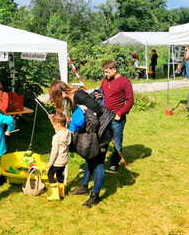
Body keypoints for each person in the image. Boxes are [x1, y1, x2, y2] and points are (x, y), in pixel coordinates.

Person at [48, 80, 113, 208]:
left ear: (60, 92)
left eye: (55, 96)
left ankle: (95, 196)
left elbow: (97, 110)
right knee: (90, 158)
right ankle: (83, 186)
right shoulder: (72, 98)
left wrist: (82, 114)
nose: (55, 99)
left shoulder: (79, 94)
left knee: (99, 163)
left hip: (101, 132)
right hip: (91, 133)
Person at [98, 60, 134, 173]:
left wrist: (120, 113)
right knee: (102, 140)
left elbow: (130, 100)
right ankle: (99, 163)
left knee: (117, 142)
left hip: (116, 118)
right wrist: (98, 94)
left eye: (107, 72)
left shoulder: (125, 82)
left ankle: (114, 163)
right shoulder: (105, 80)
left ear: (114, 70)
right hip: (104, 116)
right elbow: (102, 91)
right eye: (104, 72)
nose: (105, 74)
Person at [45, 112, 71, 201]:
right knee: (60, 174)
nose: (53, 127)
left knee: (50, 174)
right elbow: (59, 129)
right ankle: (61, 193)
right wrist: (52, 120)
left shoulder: (56, 137)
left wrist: (50, 162)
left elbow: (54, 151)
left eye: (54, 125)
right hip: (64, 160)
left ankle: (55, 195)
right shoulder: (67, 132)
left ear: (58, 124)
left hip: (57, 161)